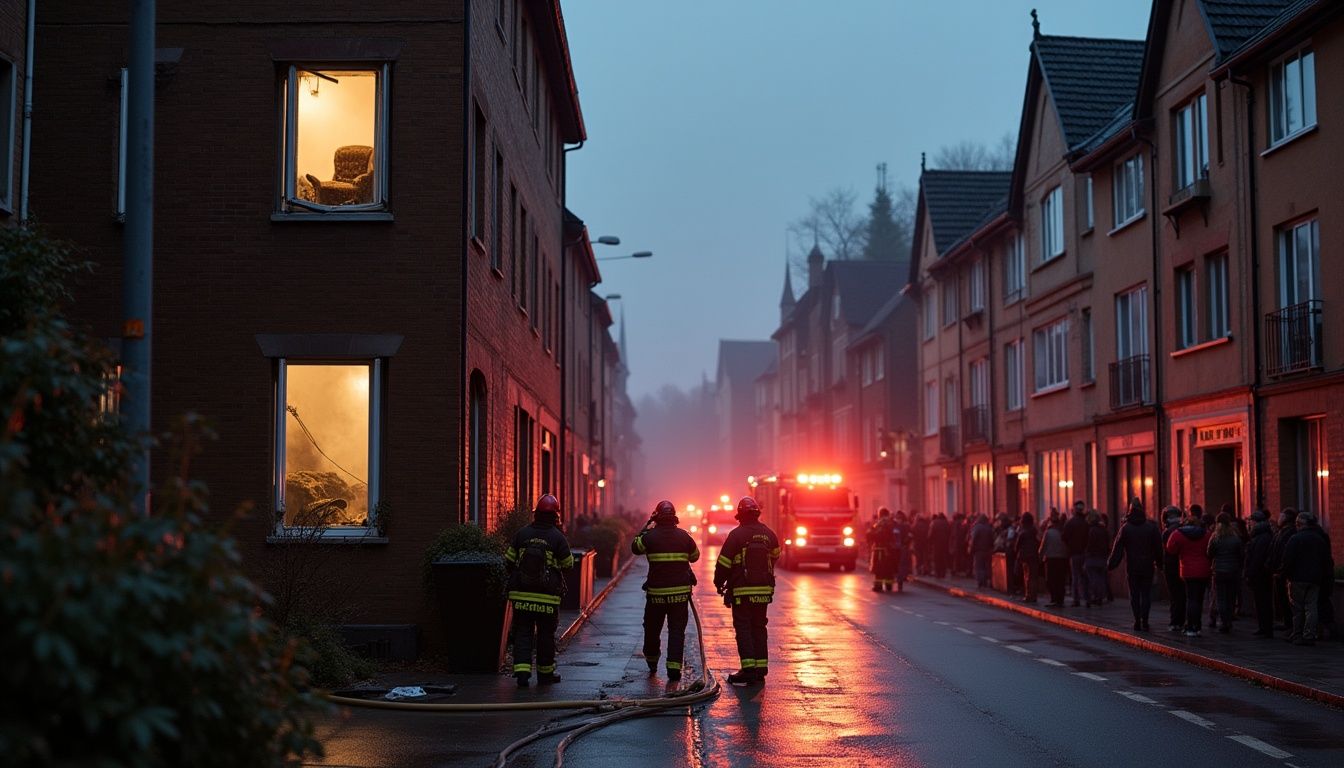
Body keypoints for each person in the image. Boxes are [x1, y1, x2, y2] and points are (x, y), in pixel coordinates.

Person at [505, 494, 575, 687]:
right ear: (556, 516)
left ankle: (522, 674)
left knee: (522, 633)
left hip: (521, 595)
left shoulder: (522, 533)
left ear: (536, 513)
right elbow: (568, 565)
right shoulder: (557, 537)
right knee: (545, 635)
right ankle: (545, 675)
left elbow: (508, 560)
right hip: (547, 598)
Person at [714, 497, 781, 685]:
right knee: (759, 627)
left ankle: (748, 669)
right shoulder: (768, 533)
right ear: (757, 513)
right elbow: (776, 555)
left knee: (743, 628)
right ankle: (760, 670)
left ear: (740, 515)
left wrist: (718, 582)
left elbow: (724, 563)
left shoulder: (736, 535)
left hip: (742, 591)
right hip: (763, 591)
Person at [631, 500, 700, 681]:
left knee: (652, 629)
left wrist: (647, 526)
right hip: (680, 595)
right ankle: (674, 669)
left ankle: (652, 661)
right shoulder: (684, 536)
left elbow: (635, 548)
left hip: (656, 595)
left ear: (657, 516)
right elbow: (695, 556)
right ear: (674, 516)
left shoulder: (649, 537)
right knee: (677, 631)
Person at [1107, 499, 1162, 630]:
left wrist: (1111, 563)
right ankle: (1145, 620)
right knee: (1146, 594)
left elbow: (1118, 548)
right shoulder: (1151, 527)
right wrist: (1160, 563)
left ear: (1130, 511)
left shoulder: (1126, 528)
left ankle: (1137, 620)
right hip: (1147, 565)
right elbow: (1158, 548)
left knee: (1134, 594)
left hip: (1132, 566)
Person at [1280, 510, 1333, 646]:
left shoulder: (1295, 539)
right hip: (1315, 579)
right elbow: (1327, 561)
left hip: (1297, 578)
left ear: (1299, 524)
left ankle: (1297, 634)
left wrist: (1284, 574)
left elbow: (1288, 559)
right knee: (1311, 607)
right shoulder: (1320, 539)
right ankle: (1309, 634)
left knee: (1297, 608)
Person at [1165, 509, 1212, 637]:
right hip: (1203, 570)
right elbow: (1211, 549)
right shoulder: (1207, 534)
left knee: (1191, 598)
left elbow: (1170, 549)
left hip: (1187, 571)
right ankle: (1197, 625)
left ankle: (1191, 626)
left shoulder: (1178, 534)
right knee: (1199, 598)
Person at [1207, 512, 1246, 634]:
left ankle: (1224, 621)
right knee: (1231, 597)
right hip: (1233, 571)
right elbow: (1241, 555)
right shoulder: (1235, 538)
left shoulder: (1215, 537)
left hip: (1219, 571)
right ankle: (1228, 620)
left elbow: (1209, 553)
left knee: (1220, 598)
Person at [1243, 508, 1275, 637]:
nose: (1249, 524)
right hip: (1262, 574)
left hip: (1260, 575)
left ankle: (1265, 628)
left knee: (1262, 601)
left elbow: (1257, 558)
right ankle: (1264, 627)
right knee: (1262, 601)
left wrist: (1250, 573)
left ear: (1256, 522)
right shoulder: (1264, 535)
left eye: (1251, 521)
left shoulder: (1261, 537)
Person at [1267, 508, 1299, 635]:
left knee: (1287, 600)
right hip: (1278, 570)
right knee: (1281, 599)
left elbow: (1285, 554)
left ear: (1286, 518)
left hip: (1284, 572)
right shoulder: (1281, 532)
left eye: (1281, 516)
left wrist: (1281, 569)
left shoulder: (1289, 533)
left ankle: (1291, 625)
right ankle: (1287, 623)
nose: (1278, 518)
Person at [1160, 506, 1186, 632]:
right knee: (1183, 594)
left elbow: (1166, 551)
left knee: (1174, 595)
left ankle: (1175, 621)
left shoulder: (1167, 532)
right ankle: (1183, 620)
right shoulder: (1184, 529)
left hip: (1171, 567)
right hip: (1184, 565)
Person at [1062, 501, 1090, 607]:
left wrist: (1069, 545)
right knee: (1084, 577)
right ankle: (1087, 599)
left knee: (1075, 577)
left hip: (1074, 553)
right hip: (1085, 553)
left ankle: (1076, 599)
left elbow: (1064, 537)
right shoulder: (1086, 523)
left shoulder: (1070, 523)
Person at [1039, 517, 1069, 607]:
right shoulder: (1063, 532)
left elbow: (1043, 546)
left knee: (1051, 580)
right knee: (1060, 580)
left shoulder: (1048, 533)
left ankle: (1054, 598)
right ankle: (1060, 599)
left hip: (1051, 558)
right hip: (1062, 558)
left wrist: (1040, 555)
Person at [1084, 510, 1110, 609]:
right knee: (1101, 578)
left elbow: (1089, 544)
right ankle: (1100, 597)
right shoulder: (1103, 530)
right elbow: (1107, 543)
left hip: (1092, 557)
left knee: (1093, 579)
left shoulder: (1091, 530)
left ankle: (1095, 596)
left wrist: (1086, 553)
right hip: (1102, 557)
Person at [868, 507, 899, 592]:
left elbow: (877, 535)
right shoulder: (893, 523)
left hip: (880, 550)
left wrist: (870, 532)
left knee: (879, 569)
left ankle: (878, 586)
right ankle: (889, 586)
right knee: (889, 568)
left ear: (880, 514)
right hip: (891, 550)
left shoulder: (880, 523)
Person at [1014, 513, 1040, 603]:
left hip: (1025, 556)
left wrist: (1017, 553)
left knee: (1027, 576)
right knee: (1034, 576)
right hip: (1034, 555)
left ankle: (1028, 595)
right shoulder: (1035, 532)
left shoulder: (1023, 533)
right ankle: (1034, 595)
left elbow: (1017, 546)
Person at [968, 514, 995, 589]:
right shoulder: (989, 528)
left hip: (978, 551)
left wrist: (971, 549)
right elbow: (992, 539)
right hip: (987, 550)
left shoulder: (977, 527)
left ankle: (980, 582)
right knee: (986, 567)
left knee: (979, 567)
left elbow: (973, 539)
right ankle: (986, 581)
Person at [930, 513, 951, 578]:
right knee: (943, 558)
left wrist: (930, 541)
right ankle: (943, 573)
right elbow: (949, 532)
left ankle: (938, 573)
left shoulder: (934, 522)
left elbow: (931, 533)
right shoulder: (947, 523)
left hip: (936, 544)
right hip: (945, 544)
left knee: (937, 559)